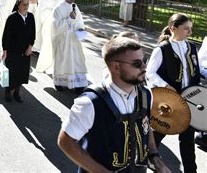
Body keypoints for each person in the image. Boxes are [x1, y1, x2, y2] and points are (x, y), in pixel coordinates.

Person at [58, 37, 171, 173]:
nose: (144, 67)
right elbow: (65, 141)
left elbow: (145, 127)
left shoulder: (146, 94)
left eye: (144, 61)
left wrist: (155, 158)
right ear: (116, 66)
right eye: (137, 63)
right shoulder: (90, 102)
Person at [146, 13, 206, 173]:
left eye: (190, 29)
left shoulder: (192, 47)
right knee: (160, 131)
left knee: (187, 140)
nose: (190, 32)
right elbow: (150, 73)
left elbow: (196, 71)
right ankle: (145, 159)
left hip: (189, 99)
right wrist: (165, 85)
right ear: (173, 28)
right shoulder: (162, 49)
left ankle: (190, 170)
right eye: (186, 29)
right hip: (170, 100)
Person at [52, 0, 89, 92]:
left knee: (77, 60)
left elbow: (79, 19)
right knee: (63, 61)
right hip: (63, 39)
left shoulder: (74, 6)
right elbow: (56, 25)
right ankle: (59, 82)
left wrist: (81, 27)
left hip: (74, 38)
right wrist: (69, 18)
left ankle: (79, 84)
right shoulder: (58, 8)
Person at [1, 0, 36, 102]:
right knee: (11, 72)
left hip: (26, 51)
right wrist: (5, 50)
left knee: (22, 72)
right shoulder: (12, 17)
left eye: (27, 4)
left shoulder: (30, 17)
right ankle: (8, 91)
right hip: (13, 51)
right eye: (23, 4)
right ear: (18, 5)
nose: (26, 7)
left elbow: (33, 34)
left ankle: (17, 92)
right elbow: (6, 35)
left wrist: (30, 47)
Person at [34, 0, 63, 72]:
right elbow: (41, 11)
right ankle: (47, 63)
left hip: (58, 23)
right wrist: (53, 12)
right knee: (48, 43)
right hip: (48, 23)